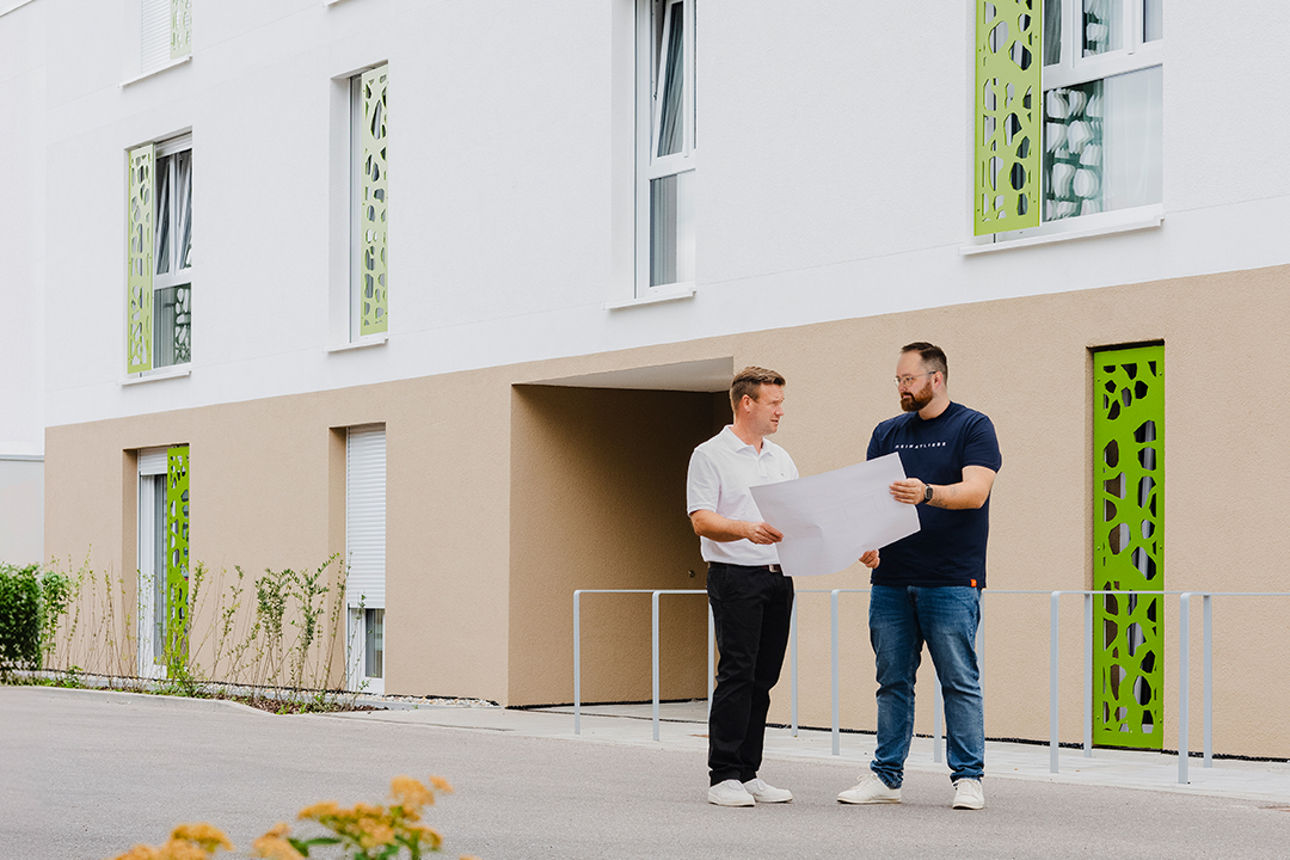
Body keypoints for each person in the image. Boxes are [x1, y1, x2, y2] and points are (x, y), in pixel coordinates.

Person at [837, 342, 1001, 811]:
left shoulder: (973, 426)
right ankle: (886, 777)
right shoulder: (887, 432)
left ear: (937, 378)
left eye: (908, 379)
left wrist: (926, 492)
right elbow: (870, 499)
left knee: (959, 680)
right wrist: (866, 542)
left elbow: (975, 492)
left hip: (951, 578)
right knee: (892, 681)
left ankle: (968, 779)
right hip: (891, 579)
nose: (902, 388)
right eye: (898, 381)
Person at [685, 366, 798, 807]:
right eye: (774, 403)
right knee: (737, 673)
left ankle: (750, 773)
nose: (780, 412)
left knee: (763, 678)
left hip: (778, 577)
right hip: (735, 578)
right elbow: (701, 519)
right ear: (746, 402)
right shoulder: (709, 455)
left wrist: (854, 544)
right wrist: (745, 530)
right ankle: (724, 775)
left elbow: (799, 514)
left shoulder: (781, 458)